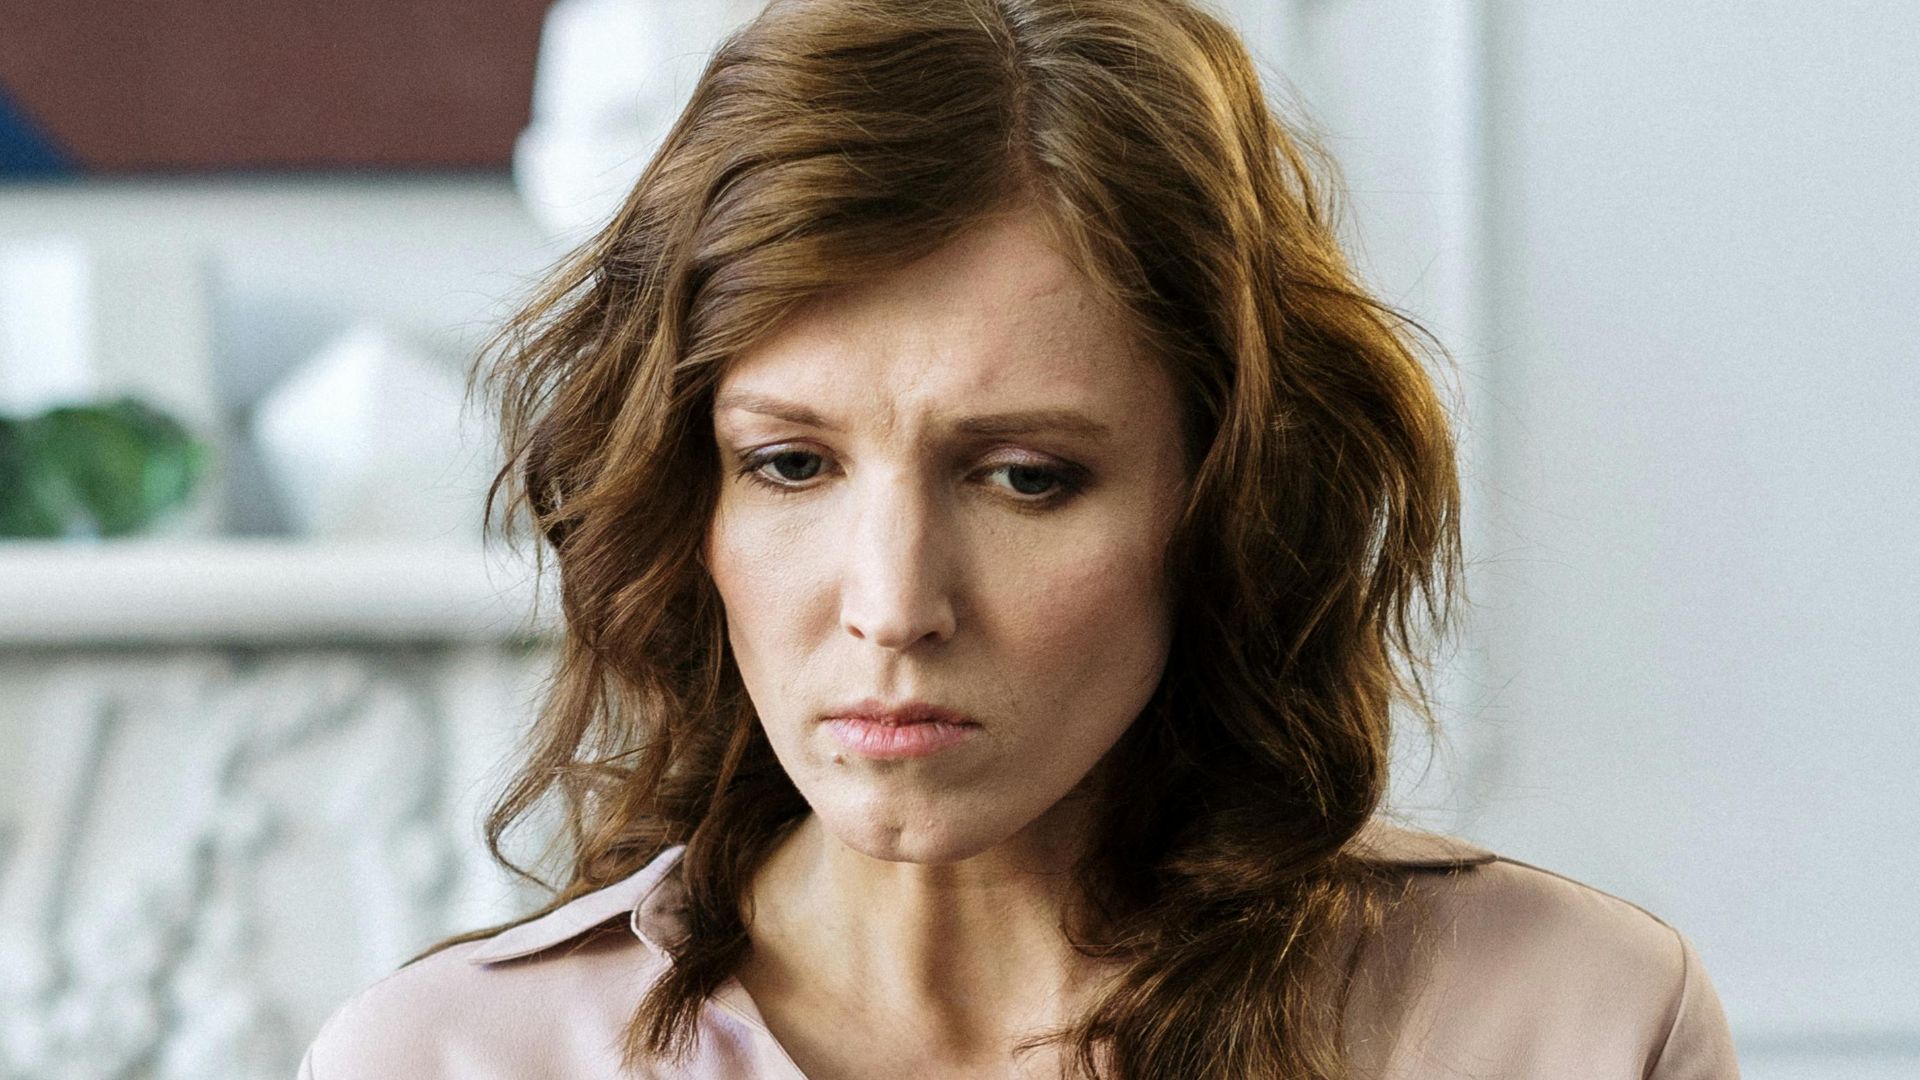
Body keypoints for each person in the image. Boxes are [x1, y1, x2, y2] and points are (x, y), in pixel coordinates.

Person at [299, 0, 1739, 1077]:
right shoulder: (442, 1063)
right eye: (792, 464)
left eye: (1027, 478)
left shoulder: (1570, 1026)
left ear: (1226, 496)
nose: (893, 605)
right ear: (691, 504)